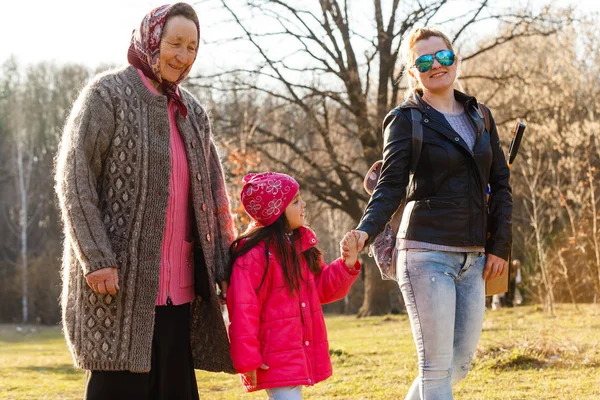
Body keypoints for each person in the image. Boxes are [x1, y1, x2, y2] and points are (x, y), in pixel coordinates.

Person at [55, 3, 236, 399]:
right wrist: (96, 257)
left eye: (192, 47)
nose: (182, 56)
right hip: (116, 287)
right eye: (174, 43)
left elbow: (214, 196)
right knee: (117, 389)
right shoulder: (107, 95)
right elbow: (74, 177)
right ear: (151, 39)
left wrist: (226, 268)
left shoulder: (193, 112)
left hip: (179, 290)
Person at [351, 27, 512, 399]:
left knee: (457, 364)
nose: (436, 65)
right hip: (426, 252)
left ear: (455, 60)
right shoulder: (405, 119)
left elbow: (501, 185)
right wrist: (365, 230)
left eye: (443, 57)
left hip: (473, 255)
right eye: (424, 61)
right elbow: (390, 186)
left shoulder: (481, 116)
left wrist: (499, 246)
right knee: (435, 367)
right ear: (413, 73)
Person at [226, 172, 361, 400]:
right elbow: (242, 310)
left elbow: (321, 289)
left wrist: (347, 263)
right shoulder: (253, 257)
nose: (304, 204)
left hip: (298, 351)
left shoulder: (301, 246)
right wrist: (248, 360)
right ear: (277, 211)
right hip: (273, 357)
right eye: (296, 200)